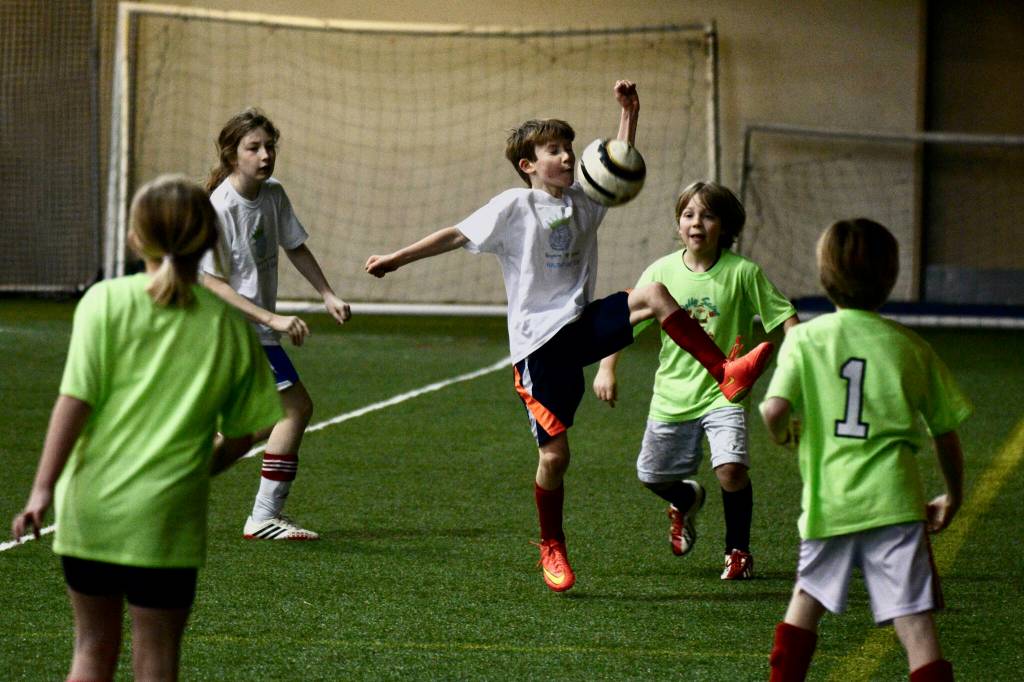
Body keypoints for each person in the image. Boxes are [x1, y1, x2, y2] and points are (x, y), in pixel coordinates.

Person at [364, 81, 774, 593]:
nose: (565, 157)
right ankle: (551, 543)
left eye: (568, 148)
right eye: (553, 150)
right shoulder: (514, 205)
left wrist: (629, 114)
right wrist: (395, 259)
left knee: (653, 293)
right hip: (539, 347)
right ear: (528, 165)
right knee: (555, 458)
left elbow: (617, 166)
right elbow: (455, 234)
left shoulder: (585, 200)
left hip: (580, 326)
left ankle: (724, 370)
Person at [10, 175, 282, 682]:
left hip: (91, 509)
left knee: (91, 650)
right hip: (167, 516)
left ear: (136, 239)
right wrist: (201, 468)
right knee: (156, 658)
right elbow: (246, 434)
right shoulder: (229, 326)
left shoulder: (103, 302)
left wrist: (42, 490)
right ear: (210, 239)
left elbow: (73, 402)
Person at [759, 219, 971, 682]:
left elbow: (773, 410)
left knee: (805, 603)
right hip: (896, 505)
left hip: (830, 504)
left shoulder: (803, 339)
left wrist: (786, 435)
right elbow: (946, 434)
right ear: (890, 278)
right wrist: (954, 496)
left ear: (824, 276)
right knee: (915, 624)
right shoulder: (912, 347)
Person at [593, 181, 798, 579]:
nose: (696, 223)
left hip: (725, 393)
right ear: (678, 224)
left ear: (726, 225)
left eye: (708, 215)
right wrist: (606, 368)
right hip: (673, 393)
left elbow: (785, 318)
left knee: (731, 470)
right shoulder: (661, 272)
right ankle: (685, 498)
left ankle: (737, 552)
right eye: (688, 215)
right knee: (652, 475)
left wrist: (799, 360)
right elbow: (625, 321)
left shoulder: (744, 273)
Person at [201, 108, 351, 541]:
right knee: (295, 408)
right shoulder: (219, 208)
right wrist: (272, 318)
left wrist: (327, 293)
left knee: (251, 430)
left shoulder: (273, 194)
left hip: (255, 329)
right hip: (232, 329)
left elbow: (295, 245)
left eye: (270, 147)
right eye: (254, 148)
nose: (265, 155)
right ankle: (263, 516)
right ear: (232, 155)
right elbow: (211, 282)